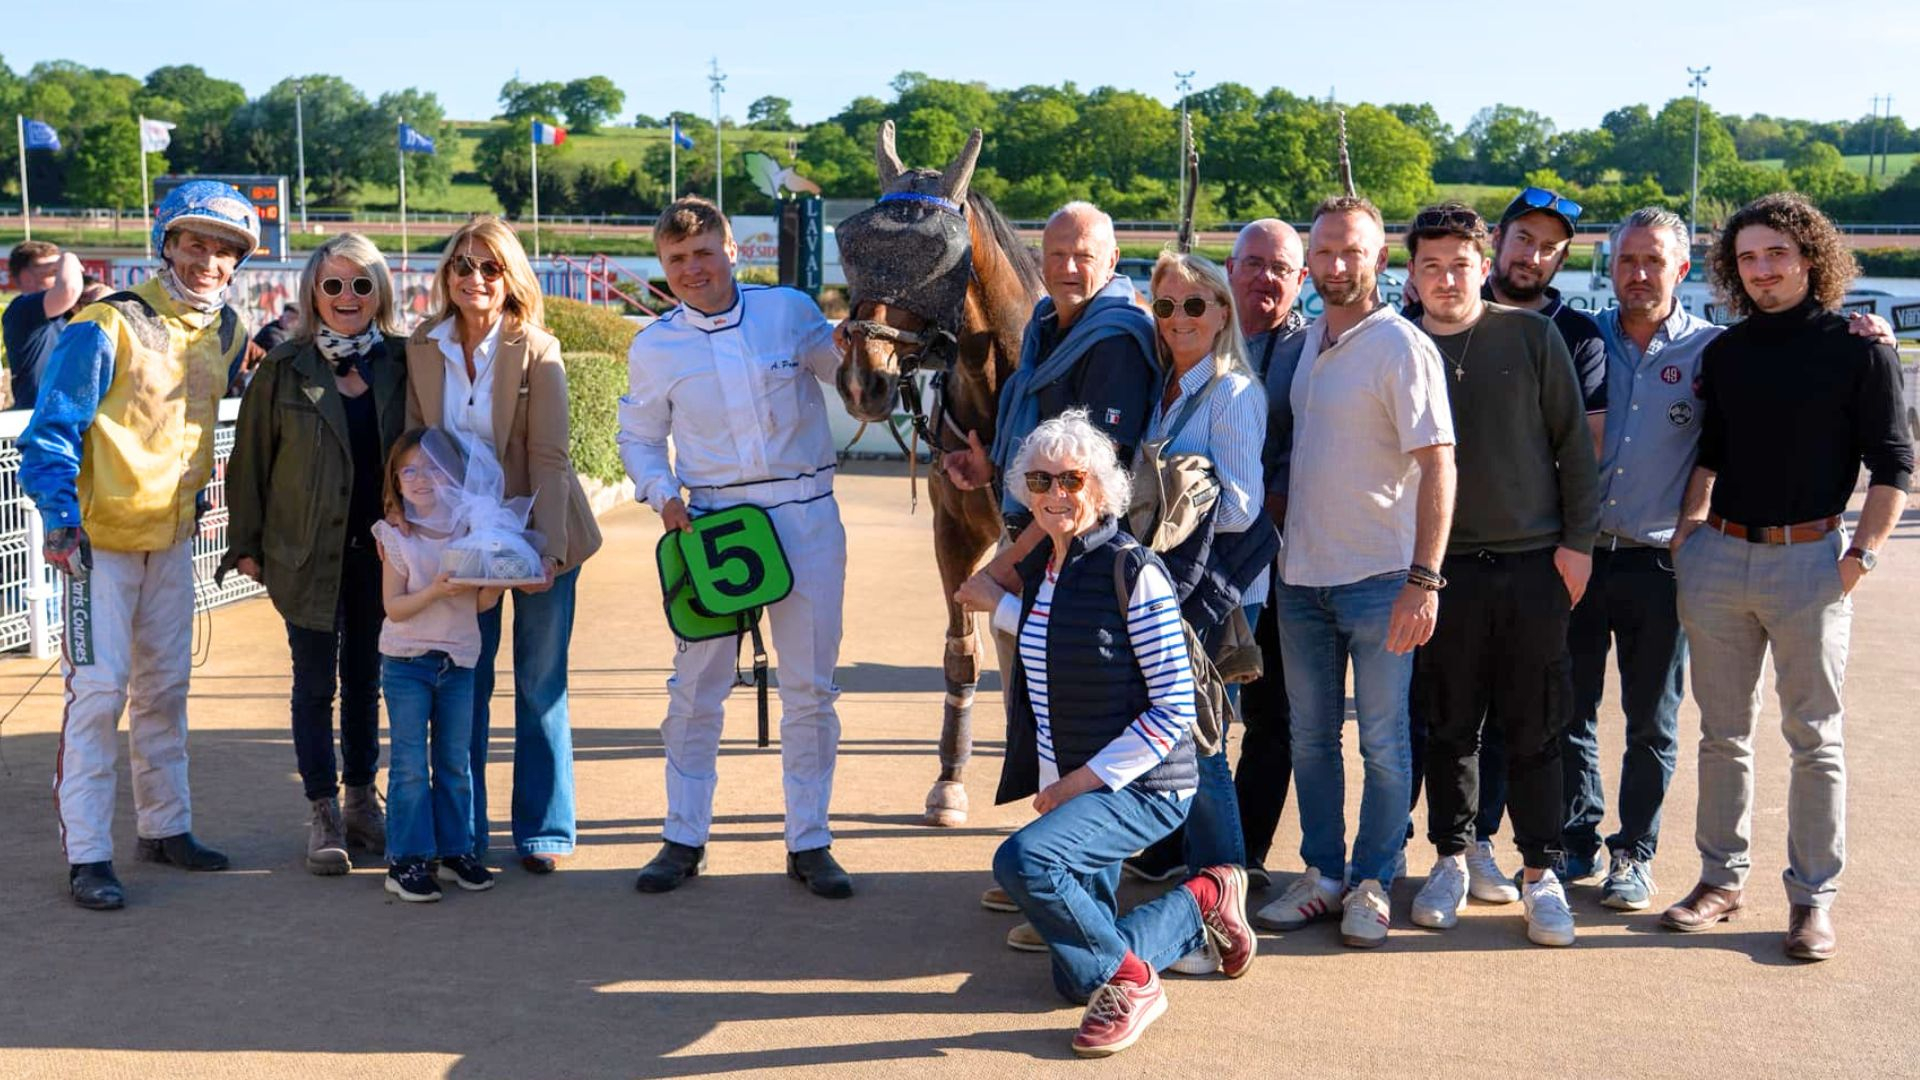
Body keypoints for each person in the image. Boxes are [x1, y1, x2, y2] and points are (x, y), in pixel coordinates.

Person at [956, 409, 1255, 1058]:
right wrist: (996, 604)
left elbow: (1175, 706)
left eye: (1071, 480)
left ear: (1102, 488)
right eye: (1039, 481)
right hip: (1081, 782)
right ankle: (1208, 896)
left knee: (1025, 860)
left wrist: (1078, 785)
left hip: (1144, 784)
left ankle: (1135, 982)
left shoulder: (1132, 570)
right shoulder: (1049, 571)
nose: (1055, 495)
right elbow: (1056, 645)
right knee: (1073, 980)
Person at [1662, 193, 1912, 961]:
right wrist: (1687, 539)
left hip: (1813, 563)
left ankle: (1811, 901)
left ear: (1809, 256)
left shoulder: (1860, 348)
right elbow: (1711, 452)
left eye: (1777, 253)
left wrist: (1856, 560)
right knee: (1723, 736)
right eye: (1748, 258)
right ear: (1733, 272)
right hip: (1719, 560)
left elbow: (1894, 464)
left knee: (1815, 741)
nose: (1763, 269)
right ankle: (1719, 880)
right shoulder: (1727, 354)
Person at [20, 180, 259, 910]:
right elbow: (50, 432)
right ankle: (88, 854)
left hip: (173, 540)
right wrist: (61, 520)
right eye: (196, 244)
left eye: (225, 251)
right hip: (98, 542)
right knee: (97, 697)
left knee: (166, 691)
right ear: (167, 243)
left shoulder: (229, 331)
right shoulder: (105, 323)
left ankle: (165, 827)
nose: (210, 261)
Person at [619, 196, 854, 899]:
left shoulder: (787, 309)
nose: (693, 269)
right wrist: (660, 494)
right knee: (695, 690)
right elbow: (637, 436)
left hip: (806, 512)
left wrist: (870, 337)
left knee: (810, 687)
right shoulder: (653, 345)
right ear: (663, 268)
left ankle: (809, 841)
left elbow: (847, 374)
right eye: (677, 260)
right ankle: (683, 837)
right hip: (712, 526)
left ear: (732, 250)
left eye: (703, 253)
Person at [1252, 195, 1456, 950]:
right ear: (1311, 262)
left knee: (1383, 742)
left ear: (1380, 260)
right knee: (1309, 738)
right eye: (1326, 253)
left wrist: (1424, 579)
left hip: (1380, 580)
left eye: (1353, 252)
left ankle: (1374, 879)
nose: (1338, 266)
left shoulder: (1403, 346)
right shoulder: (1305, 345)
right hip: (1300, 578)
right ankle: (1323, 876)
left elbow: (1440, 466)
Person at [1400, 202, 1598, 948]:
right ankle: (1451, 858)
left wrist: (1576, 545)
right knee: (1449, 726)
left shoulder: (1531, 335)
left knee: (1535, 726)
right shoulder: (1399, 344)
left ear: (1484, 266)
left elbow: (1573, 449)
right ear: (1411, 275)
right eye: (1431, 265)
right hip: (1440, 571)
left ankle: (1541, 876)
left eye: (1460, 264)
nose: (1447, 278)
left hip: (1532, 564)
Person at [405, 216, 602, 875]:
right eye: (463, 266)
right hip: (463, 548)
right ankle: (461, 834)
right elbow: (418, 453)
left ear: (511, 277)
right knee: (465, 681)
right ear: (447, 277)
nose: (475, 278)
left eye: (490, 267)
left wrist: (544, 549)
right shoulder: (421, 347)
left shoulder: (537, 349)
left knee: (540, 682)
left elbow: (549, 458)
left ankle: (543, 831)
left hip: (543, 534)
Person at [222, 234, 408, 875]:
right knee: (313, 686)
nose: (348, 297)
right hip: (306, 552)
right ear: (313, 292)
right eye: (334, 285)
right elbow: (250, 463)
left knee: (367, 682)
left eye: (362, 284)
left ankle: (362, 799)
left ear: (380, 290)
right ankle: (322, 808)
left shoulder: (403, 363)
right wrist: (243, 545)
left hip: (384, 556)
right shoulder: (283, 369)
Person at [1132, 251, 1265, 971]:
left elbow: (1242, 506)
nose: (1179, 318)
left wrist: (1180, 483)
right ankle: (1204, 892)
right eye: (1166, 307)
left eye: (1194, 305)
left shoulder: (1232, 391)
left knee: (1203, 742)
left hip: (1215, 593)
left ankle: (1222, 901)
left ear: (1222, 313)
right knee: (1183, 737)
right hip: (1175, 588)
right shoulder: (1172, 387)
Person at [370, 429, 507, 902]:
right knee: (409, 763)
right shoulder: (393, 534)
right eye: (410, 470)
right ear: (396, 481)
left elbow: (482, 605)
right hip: (407, 662)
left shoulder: (471, 531)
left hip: (459, 661)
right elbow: (394, 607)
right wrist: (436, 591)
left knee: (455, 761)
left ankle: (455, 852)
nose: (423, 480)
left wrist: (499, 580)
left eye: (433, 469)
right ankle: (406, 860)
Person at [1224, 218, 1311, 887]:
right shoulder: (1193, 336)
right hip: (1195, 563)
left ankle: (1243, 854)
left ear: (1300, 280)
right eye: (1253, 263)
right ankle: (1177, 843)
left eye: (1280, 267)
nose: (1265, 277)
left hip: (1281, 565)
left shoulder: (1314, 350)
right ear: (1229, 269)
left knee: (1269, 715)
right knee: (1187, 714)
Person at [3, 241, 84, 410]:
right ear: (26, 277)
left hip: (64, 420)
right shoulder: (22, 309)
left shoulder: (65, 313)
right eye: (53, 271)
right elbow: (68, 290)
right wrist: (68, 258)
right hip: (38, 423)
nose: (62, 275)